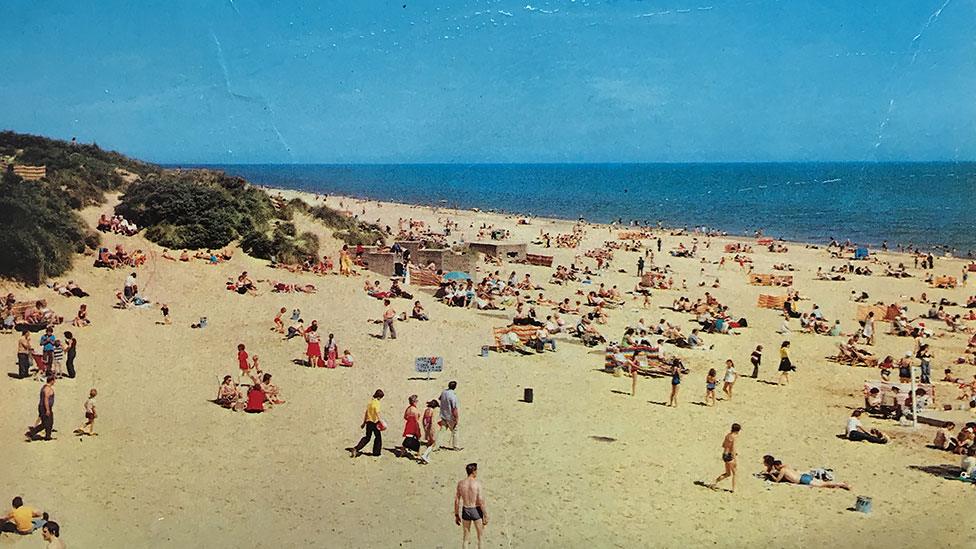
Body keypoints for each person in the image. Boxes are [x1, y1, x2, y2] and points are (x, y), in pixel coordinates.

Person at [421, 381, 460, 463]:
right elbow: (454, 409)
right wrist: (456, 417)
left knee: (442, 431)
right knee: (455, 430)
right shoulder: (453, 396)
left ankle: (436, 446)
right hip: (450, 416)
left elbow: (439, 398)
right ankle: (455, 446)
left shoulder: (444, 392)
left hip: (443, 414)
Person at [455, 463, 488, 549]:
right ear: (473, 471)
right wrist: (485, 514)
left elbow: (457, 500)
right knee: (480, 538)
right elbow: (481, 500)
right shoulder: (477, 484)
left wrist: (456, 514)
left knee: (466, 538)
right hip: (476, 509)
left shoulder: (461, 483)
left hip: (466, 509)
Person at [770, 460, 851, 490]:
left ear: (777, 466)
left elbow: (777, 481)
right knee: (822, 483)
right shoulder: (786, 467)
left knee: (822, 485)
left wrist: (770, 475)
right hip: (804, 476)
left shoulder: (782, 470)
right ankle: (838, 485)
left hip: (803, 480)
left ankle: (842, 484)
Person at [350, 389, 385, 458]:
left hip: (369, 422)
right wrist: (380, 421)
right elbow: (377, 413)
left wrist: (364, 422)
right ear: (379, 397)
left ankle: (356, 448)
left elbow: (366, 413)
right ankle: (376, 453)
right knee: (378, 438)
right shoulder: (377, 403)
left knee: (367, 437)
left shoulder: (370, 403)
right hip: (375, 422)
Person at [710, 423, 741, 493]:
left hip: (724, 454)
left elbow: (723, 445)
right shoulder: (734, 437)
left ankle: (714, 482)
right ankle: (734, 489)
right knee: (735, 473)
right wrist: (734, 459)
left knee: (728, 473)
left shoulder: (728, 435)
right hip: (730, 456)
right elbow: (733, 448)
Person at [26, 375, 56, 441]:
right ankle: (31, 433)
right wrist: (47, 409)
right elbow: (46, 399)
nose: (55, 382)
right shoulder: (48, 389)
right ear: (51, 381)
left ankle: (48, 436)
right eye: (54, 380)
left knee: (49, 422)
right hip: (45, 407)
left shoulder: (44, 387)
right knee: (45, 423)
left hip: (42, 407)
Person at [396, 395, 422, 459]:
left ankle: (403, 452)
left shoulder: (408, 408)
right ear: (414, 402)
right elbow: (416, 419)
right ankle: (418, 453)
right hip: (414, 424)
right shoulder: (415, 410)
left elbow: (405, 417)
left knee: (408, 437)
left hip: (408, 424)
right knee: (417, 438)